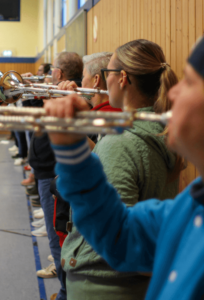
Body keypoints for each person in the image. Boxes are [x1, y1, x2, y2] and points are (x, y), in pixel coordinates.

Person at [45, 39, 183, 300]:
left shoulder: (121, 141)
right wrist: (74, 136)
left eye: (106, 74)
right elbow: (109, 161)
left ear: (121, 78)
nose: (103, 81)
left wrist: (70, 156)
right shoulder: (158, 131)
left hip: (103, 283)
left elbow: (116, 234)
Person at [29, 52, 83, 300]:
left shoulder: (65, 95)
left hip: (52, 173)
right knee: (57, 234)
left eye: (52, 70)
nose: (50, 74)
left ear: (59, 73)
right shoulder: (56, 92)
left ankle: (64, 292)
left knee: (57, 236)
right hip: (47, 171)